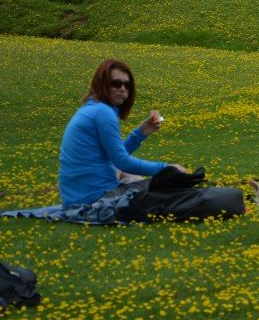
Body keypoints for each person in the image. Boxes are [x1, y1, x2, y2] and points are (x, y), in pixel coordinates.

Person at [58, 59, 187, 208]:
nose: (123, 88)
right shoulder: (103, 112)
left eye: (127, 85)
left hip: (75, 198)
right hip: (94, 198)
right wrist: (167, 168)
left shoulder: (93, 109)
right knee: (168, 190)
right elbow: (122, 161)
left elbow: (114, 156)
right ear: (101, 84)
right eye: (116, 83)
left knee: (131, 176)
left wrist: (140, 133)